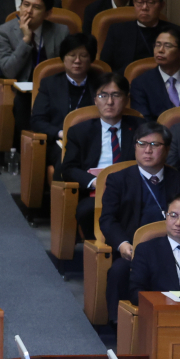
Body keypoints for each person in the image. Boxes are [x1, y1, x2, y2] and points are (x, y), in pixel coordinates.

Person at [99, 122, 178, 313]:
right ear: (134, 147)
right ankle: (119, 325)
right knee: (119, 270)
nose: (147, 150)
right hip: (134, 249)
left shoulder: (177, 179)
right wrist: (123, 244)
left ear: (166, 149)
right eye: (142, 144)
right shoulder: (118, 179)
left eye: (154, 145)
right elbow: (107, 219)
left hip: (173, 245)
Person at [60, 72, 142, 240]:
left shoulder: (140, 128)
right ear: (95, 99)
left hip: (132, 191)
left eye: (116, 95)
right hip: (96, 192)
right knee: (86, 211)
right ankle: (101, 251)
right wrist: (94, 182)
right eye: (103, 95)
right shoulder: (79, 131)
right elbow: (68, 168)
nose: (109, 102)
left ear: (126, 99)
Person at [30, 34, 96, 168]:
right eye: (72, 55)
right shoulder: (50, 84)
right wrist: (60, 133)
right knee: (68, 157)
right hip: (59, 142)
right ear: (63, 58)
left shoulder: (100, 84)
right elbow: (37, 121)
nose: (77, 60)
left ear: (91, 59)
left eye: (83, 55)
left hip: (93, 142)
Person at [100, 0, 177, 73]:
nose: (144, 7)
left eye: (151, 2)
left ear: (161, 5)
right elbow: (105, 67)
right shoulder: (117, 30)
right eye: (140, 2)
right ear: (134, 3)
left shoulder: (175, 32)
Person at [0, 0, 68, 82]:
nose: (29, 11)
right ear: (20, 7)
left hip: (52, 87)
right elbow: (9, 72)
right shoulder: (3, 32)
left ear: (47, 14)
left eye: (36, 7)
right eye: (26, 5)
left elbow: (66, 67)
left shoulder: (61, 31)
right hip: (21, 90)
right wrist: (26, 40)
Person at [129, 195, 180, 304]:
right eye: (173, 215)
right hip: (164, 313)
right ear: (166, 217)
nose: (178, 223)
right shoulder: (147, 250)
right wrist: (162, 302)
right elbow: (135, 292)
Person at [130, 26, 180, 122]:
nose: (160, 50)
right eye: (157, 45)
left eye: (167, 46)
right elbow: (143, 123)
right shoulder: (141, 84)